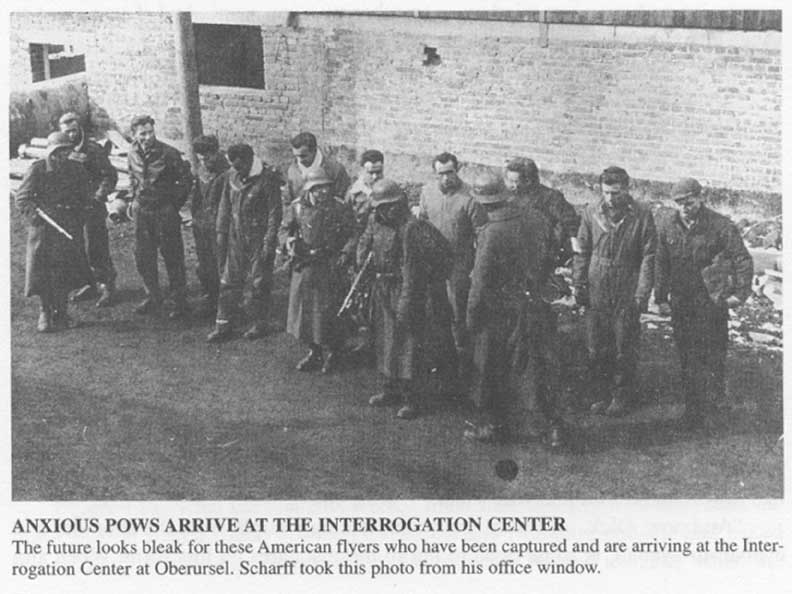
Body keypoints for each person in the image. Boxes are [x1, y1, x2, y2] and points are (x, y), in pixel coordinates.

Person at [465, 172, 565, 447]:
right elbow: (551, 252)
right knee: (540, 368)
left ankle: (492, 426)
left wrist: (471, 318)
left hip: (501, 312)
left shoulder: (491, 233)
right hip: (536, 304)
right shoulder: (536, 218)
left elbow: (480, 284)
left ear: (483, 203)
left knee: (492, 368)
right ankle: (553, 428)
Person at [654, 178, 753, 430]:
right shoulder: (667, 225)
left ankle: (715, 404)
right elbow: (661, 263)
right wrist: (660, 298)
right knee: (687, 355)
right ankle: (693, 410)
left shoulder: (720, 225)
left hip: (711, 300)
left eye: (689, 201)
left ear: (701, 197)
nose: (685, 207)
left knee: (713, 353)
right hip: (681, 301)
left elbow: (742, 259)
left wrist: (739, 295)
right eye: (679, 203)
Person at [358, 179, 452, 420]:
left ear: (397, 205)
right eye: (378, 207)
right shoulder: (376, 221)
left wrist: (405, 305)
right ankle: (390, 389)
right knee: (385, 341)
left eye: (385, 207)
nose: (381, 211)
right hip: (382, 289)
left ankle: (412, 397)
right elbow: (365, 243)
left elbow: (412, 272)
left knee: (408, 345)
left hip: (406, 291)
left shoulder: (411, 228)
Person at [572, 166, 656, 416]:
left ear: (627, 189)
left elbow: (649, 256)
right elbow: (582, 251)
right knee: (597, 344)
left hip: (625, 283)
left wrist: (642, 293)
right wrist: (579, 284)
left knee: (624, 343)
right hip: (597, 282)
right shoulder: (590, 212)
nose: (610, 198)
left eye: (616, 193)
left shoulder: (641, 215)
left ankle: (622, 395)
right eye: (606, 192)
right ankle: (600, 393)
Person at [418, 152, 486, 380]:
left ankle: (463, 364)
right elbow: (423, 225)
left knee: (458, 313)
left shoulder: (470, 198)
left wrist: (475, 267)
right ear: (435, 174)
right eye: (441, 174)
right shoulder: (427, 193)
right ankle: (439, 360)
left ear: (458, 170)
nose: (446, 178)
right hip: (433, 265)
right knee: (434, 312)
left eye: (450, 172)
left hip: (459, 265)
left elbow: (482, 235)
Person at [15, 131, 93, 332]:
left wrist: (78, 218)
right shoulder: (37, 169)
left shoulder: (77, 169)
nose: (61, 156)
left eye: (65, 151)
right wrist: (36, 217)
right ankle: (45, 313)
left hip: (68, 228)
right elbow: (22, 198)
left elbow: (85, 197)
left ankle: (61, 313)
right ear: (49, 152)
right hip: (44, 230)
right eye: (57, 152)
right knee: (43, 272)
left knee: (65, 271)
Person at [281, 171, 356, 373]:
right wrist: (289, 244)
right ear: (309, 189)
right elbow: (285, 229)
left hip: (330, 266)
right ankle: (314, 352)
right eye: (318, 187)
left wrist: (345, 254)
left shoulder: (339, 207)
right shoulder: (297, 207)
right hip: (305, 266)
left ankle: (334, 352)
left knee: (330, 311)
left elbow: (353, 234)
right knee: (305, 313)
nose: (324, 191)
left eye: (327, 186)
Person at [208, 144, 283, 342]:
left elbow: (275, 214)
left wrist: (269, 243)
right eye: (233, 166)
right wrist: (221, 233)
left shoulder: (267, 179)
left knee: (258, 283)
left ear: (250, 160)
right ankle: (223, 325)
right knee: (228, 282)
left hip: (258, 239)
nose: (236, 170)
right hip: (236, 237)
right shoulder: (231, 176)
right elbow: (225, 206)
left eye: (240, 166)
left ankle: (259, 324)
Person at [127, 115, 192, 318]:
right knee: (143, 256)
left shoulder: (168, 153)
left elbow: (185, 180)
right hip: (141, 211)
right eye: (143, 134)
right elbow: (132, 176)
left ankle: (179, 301)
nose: (148, 137)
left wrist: (173, 204)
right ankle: (153, 296)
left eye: (150, 132)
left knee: (172, 256)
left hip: (164, 211)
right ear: (134, 135)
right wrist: (133, 199)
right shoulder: (132, 153)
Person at [57, 111, 119, 307]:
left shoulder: (92, 150)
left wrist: (98, 196)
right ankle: (90, 283)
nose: (71, 135)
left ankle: (108, 285)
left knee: (97, 246)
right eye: (67, 131)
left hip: (92, 207)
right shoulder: (60, 150)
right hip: (72, 209)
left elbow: (109, 176)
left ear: (80, 129)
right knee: (76, 248)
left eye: (74, 130)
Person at [504, 156, 580, 266]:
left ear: (529, 180)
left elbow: (570, 222)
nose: (511, 186)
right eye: (509, 180)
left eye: (515, 181)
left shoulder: (551, 198)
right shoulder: (508, 196)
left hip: (540, 257)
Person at [190, 135, 230, 318]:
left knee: (222, 264)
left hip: (221, 226)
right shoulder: (201, 169)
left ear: (215, 152)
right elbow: (197, 195)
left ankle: (226, 304)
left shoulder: (227, 173)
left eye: (207, 157)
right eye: (201, 158)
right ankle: (210, 297)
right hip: (202, 224)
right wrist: (196, 217)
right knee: (204, 264)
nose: (205, 161)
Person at [285, 131, 350, 205]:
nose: (299, 160)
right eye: (296, 156)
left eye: (303, 156)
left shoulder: (335, 170)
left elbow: (344, 202)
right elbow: (288, 201)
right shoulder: (293, 171)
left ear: (314, 150)